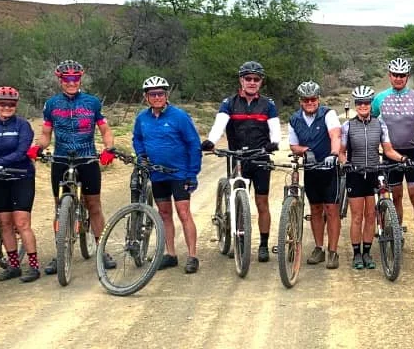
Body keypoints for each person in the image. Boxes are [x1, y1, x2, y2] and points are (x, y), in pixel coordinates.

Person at [31, 60, 117, 274]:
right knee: (59, 208)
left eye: (75, 78)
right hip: (60, 158)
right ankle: (60, 252)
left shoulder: (92, 102)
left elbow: (105, 130)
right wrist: (37, 147)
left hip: (87, 158)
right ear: (60, 80)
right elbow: (45, 134)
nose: (71, 82)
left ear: (80, 78)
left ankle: (101, 250)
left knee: (94, 206)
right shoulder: (51, 104)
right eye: (67, 79)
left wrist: (109, 148)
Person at [202, 61, 282, 262]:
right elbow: (219, 124)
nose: (252, 82)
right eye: (248, 79)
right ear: (241, 80)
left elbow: (275, 129)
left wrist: (274, 142)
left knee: (262, 202)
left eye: (256, 79)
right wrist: (211, 141)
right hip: (237, 157)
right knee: (238, 200)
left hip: (260, 157)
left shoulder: (268, 104)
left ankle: (263, 245)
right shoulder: (229, 103)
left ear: (261, 82)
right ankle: (239, 239)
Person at [132, 76, 202, 273]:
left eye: (161, 93)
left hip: (179, 174)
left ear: (166, 95)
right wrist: (141, 155)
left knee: (183, 213)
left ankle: (192, 255)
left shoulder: (179, 116)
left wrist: (192, 173)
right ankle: (170, 254)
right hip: (157, 175)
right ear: (146, 97)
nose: (157, 97)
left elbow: (193, 144)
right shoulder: (142, 119)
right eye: (153, 94)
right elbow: (137, 139)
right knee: (164, 214)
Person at [340, 86, 408, 271]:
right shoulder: (348, 126)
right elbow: (341, 152)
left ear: (371, 104)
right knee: (357, 217)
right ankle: (356, 254)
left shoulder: (380, 124)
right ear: (355, 105)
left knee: (371, 215)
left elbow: (388, 150)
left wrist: (403, 158)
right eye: (359, 103)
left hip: (373, 172)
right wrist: (345, 162)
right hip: (355, 173)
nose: (363, 106)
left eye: (366, 103)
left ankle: (367, 252)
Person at [0, 86, 41, 282]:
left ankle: (33, 266)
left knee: (22, 223)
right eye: (2, 104)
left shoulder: (23, 126)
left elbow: (21, 152)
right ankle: (13, 265)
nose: (6, 107)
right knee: (4, 223)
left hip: (21, 177)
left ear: (16, 105)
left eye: (11, 104)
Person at [371, 58, 414, 255]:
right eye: (395, 75)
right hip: (390, 153)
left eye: (402, 75)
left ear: (407, 76)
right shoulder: (380, 99)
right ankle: (398, 234)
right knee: (395, 195)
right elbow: (370, 123)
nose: (398, 78)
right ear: (389, 75)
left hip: (413, 151)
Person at [287, 81, 343, 269]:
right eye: (306, 100)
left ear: (318, 99)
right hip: (311, 169)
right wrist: (305, 150)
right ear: (301, 101)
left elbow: (335, 135)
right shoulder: (294, 119)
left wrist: (334, 154)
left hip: (329, 169)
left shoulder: (328, 114)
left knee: (332, 209)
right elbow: (293, 146)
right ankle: (319, 248)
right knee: (316, 209)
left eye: (313, 99)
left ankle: (333, 251)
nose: (310, 102)